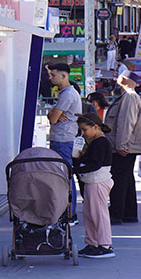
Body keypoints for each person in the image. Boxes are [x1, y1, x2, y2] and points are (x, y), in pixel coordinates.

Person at [104, 65, 141, 224]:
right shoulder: (127, 96)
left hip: (124, 147)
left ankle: (117, 213)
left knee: (118, 179)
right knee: (126, 179)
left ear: (122, 79)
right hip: (125, 145)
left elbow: (126, 122)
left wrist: (121, 145)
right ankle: (128, 213)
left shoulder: (129, 96)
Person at [73, 113, 115, 258]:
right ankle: (93, 242)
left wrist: (76, 169)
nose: (83, 133)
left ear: (95, 127)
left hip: (98, 182)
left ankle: (104, 244)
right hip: (93, 182)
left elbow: (94, 164)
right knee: (90, 214)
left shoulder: (100, 143)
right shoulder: (97, 142)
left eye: (85, 130)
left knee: (98, 214)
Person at [46, 63, 82, 214]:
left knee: (64, 175)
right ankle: (67, 211)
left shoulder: (68, 94)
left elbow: (53, 118)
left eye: (53, 75)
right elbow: (52, 116)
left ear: (64, 76)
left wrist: (55, 114)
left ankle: (69, 212)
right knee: (62, 174)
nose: (50, 78)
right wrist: (54, 113)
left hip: (63, 139)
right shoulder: (65, 93)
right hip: (61, 138)